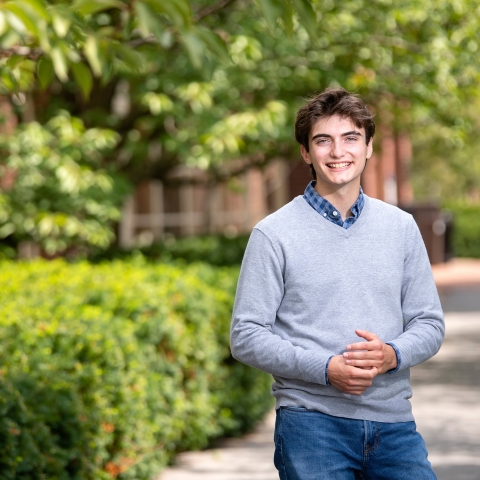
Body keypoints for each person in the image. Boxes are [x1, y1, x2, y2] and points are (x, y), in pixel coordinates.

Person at [230, 87, 444, 479]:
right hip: (311, 426)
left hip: (394, 425)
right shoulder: (273, 234)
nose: (338, 151)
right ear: (306, 153)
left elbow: (429, 323)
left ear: (369, 147)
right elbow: (246, 335)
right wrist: (327, 368)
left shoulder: (400, 228)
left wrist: (392, 355)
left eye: (350, 138)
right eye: (323, 140)